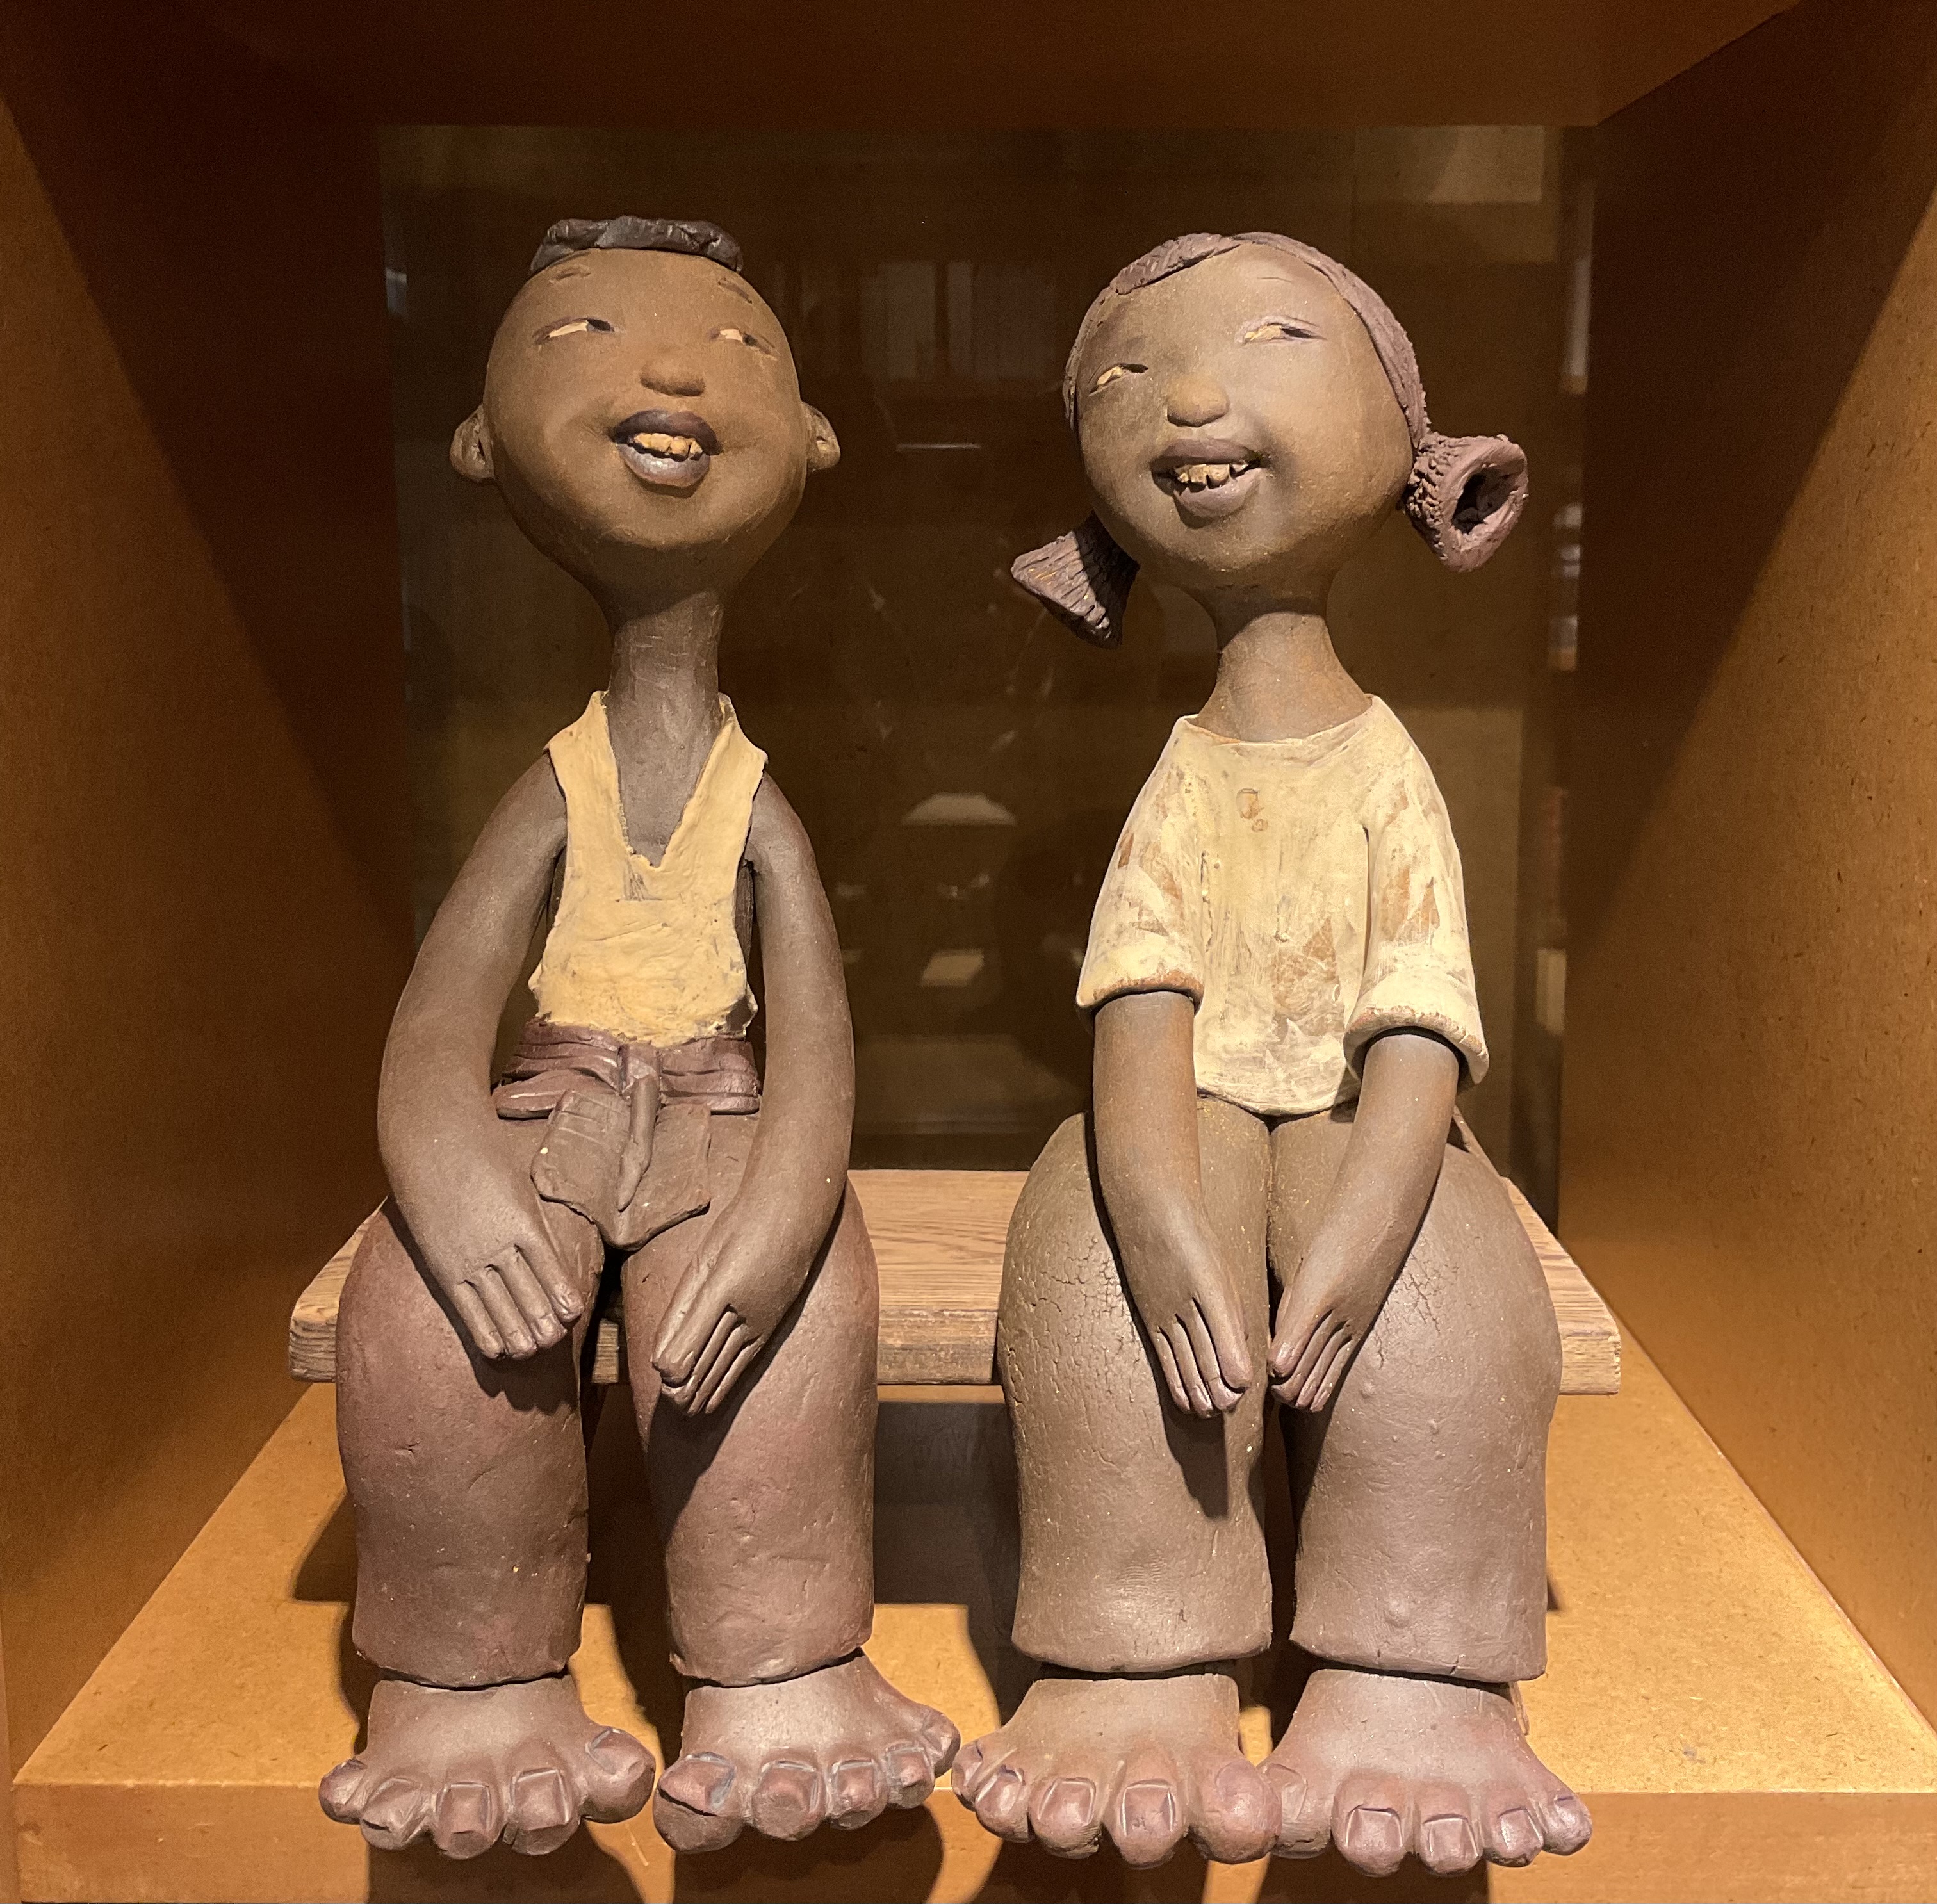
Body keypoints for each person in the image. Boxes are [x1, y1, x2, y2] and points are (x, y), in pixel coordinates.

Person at [953, 231, 1592, 1879]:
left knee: (1437, 1284)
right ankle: (1135, 1643)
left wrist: (1367, 1233)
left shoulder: (1386, 772)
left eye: (1271, 341)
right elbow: (1143, 1007)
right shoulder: (1182, 775)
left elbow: (1419, 1027)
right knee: (1099, 1261)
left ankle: (1413, 1660)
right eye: (1133, 372)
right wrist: (1160, 1211)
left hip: (1363, 1112)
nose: (1191, 397)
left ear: (1402, 438)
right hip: (1196, 1105)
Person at [319, 216, 956, 1862]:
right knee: (432, 1317)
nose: (673, 371)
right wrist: (447, 1175)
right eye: (586, 335)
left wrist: (786, 1209)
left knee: (784, 1319)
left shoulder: (760, 808)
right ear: (482, 441)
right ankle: (464, 1682)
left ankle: (782, 1671)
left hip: (727, 1115)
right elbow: (441, 1015)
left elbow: (815, 1040)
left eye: (739, 350)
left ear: (811, 438)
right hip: (547, 1105)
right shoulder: (556, 785)